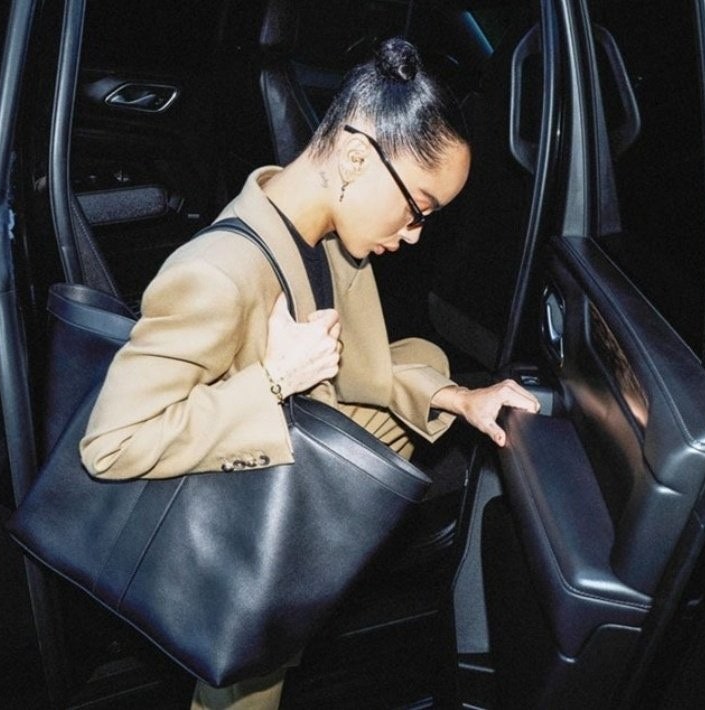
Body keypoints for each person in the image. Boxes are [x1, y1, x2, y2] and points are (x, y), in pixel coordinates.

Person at [80, 37, 539, 710]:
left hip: (284, 526)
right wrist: (272, 380)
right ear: (356, 158)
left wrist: (457, 397)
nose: (416, 233)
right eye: (417, 206)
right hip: (233, 550)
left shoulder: (328, 240)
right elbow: (111, 443)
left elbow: (357, 370)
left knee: (426, 357)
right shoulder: (217, 272)